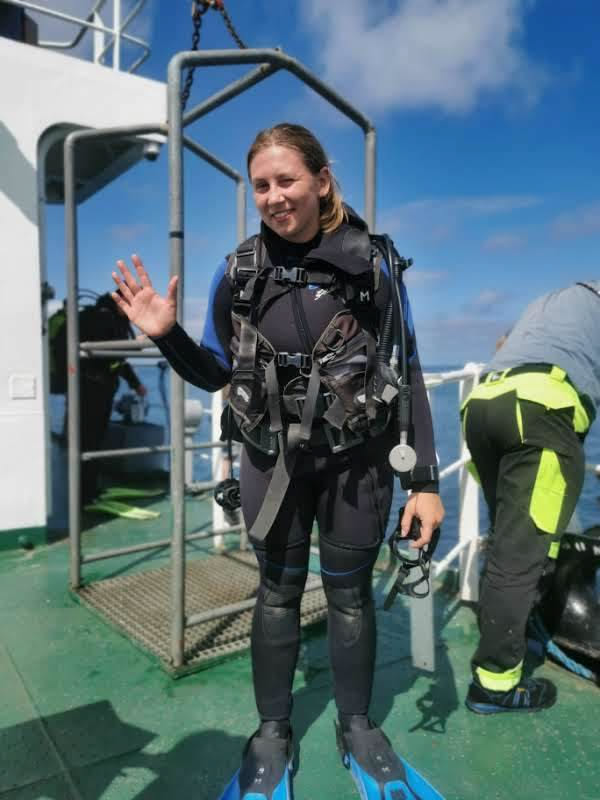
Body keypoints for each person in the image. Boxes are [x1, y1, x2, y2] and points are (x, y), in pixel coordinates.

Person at [110, 123, 444, 800]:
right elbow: (213, 373)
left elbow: (406, 371)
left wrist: (425, 482)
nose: (274, 196)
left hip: (356, 465)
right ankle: (271, 734)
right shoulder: (238, 272)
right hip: (272, 463)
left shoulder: (373, 266)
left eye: (287, 180)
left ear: (322, 180)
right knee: (278, 595)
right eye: (261, 185)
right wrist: (166, 334)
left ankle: (357, 727)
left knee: (349, 595)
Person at [461, 281, 600, 714]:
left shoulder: (550, 303)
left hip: (482, 406)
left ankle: (519, 629)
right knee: (521, 554)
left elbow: (504, 345)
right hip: (540, 411)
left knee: (509, 539)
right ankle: (495, 685)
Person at [59, 293, 147, 506]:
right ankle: (84, 494)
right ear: (121, 303)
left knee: (87, 441)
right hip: (92, 391)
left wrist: (135, 384)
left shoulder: (102, 318)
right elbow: (110, 353)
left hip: (87, 389)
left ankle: (85, 489)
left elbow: (117, 361)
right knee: (90, 442)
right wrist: (135, 345)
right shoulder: (104, 319)